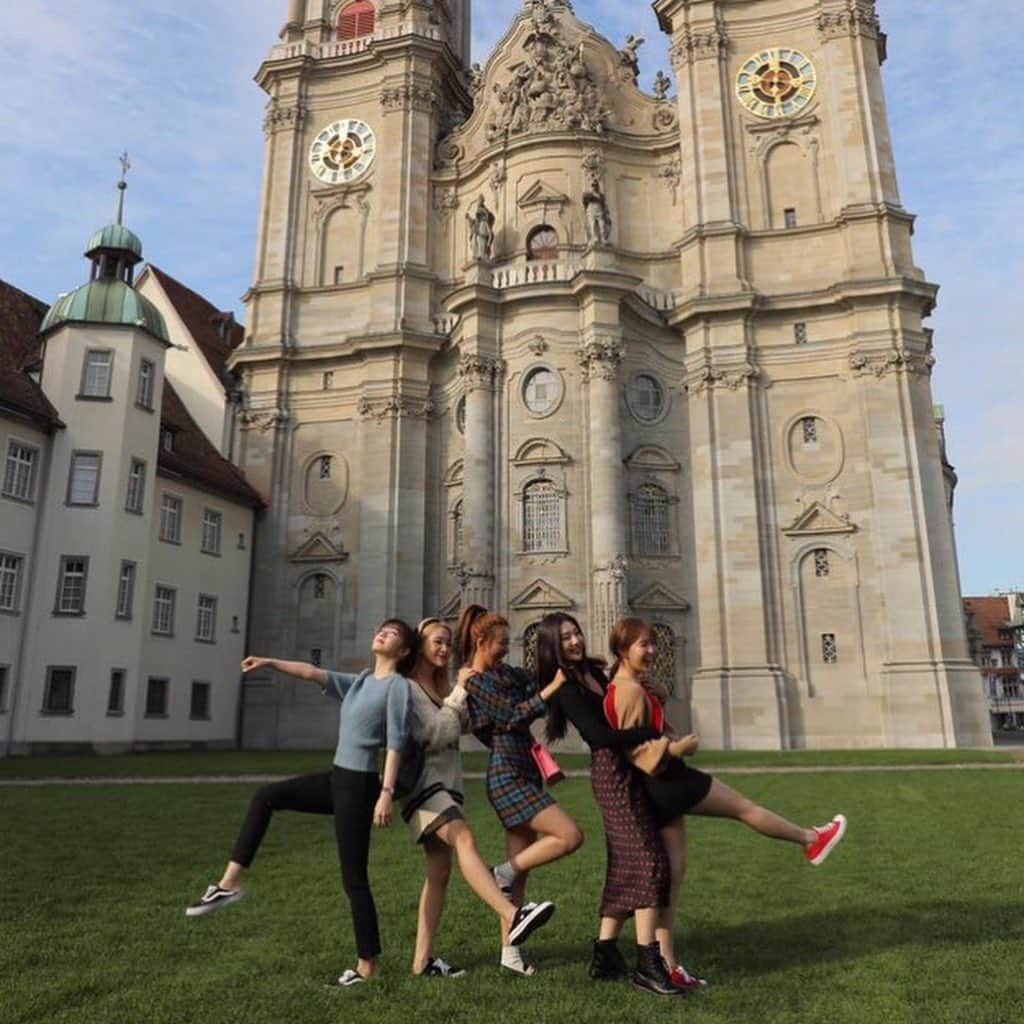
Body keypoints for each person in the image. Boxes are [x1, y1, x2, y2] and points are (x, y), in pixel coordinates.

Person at [605, 617, 848, 983]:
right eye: (643, 644)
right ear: (623, 649)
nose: (652, 650)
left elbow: (642, 733)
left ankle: (669, 964)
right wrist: (677, 747)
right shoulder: (628, 691)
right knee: (744, 808)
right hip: (668, 779)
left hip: (657, 786)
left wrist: (660, 702)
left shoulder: (629, 687)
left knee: (673, 876)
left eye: (653, 643)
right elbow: (635, 749)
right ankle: (811, 840)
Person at [186, 619, 418, 988]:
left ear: (404, 651)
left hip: (360, 789)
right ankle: (230, 883)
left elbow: (396, 743)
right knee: (266, 797)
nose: (382, 633)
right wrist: (269, 662)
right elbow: (311, 672)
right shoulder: (359, 682)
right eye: (381, 629)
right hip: (336, 779)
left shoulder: (398, 687)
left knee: (354, 879)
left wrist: (386, 793)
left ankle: (367, 966)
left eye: (392, 633)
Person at [538, 612, 690, 997]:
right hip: (611, 774)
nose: (574, 641)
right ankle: (647, 963)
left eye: (576, 633)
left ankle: (605, 955)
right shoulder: (565, 687)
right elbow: (600, 736)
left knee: (626, 863)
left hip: (628, 768)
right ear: (552, 645)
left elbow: (621, 706)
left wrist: (651, 691)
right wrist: (654, 734)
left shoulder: (594, 673)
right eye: (566, 637)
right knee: (648, 861)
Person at [403, 617, 556, 977]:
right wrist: (461, 692)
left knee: (438, 875)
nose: (443, 649)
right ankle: (513, 915)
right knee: (466, 838)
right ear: (419, 647)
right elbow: (433, 735)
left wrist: (481, 693)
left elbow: (473, 723)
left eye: (447, 643)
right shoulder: (408, 688)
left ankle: (422, 962)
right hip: (423, 786)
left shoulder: (443, 686)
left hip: (445, 787)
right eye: (436, 642)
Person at [457, 604, 583, 976]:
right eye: (499, 643)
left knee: (520, 878)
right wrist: (548, 692)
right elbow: (512, 716)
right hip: (506, 773)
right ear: (480, 641)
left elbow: (529, 693)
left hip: (525, 769)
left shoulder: (504, 674)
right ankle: (500, 872)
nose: (505, 649)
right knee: (570, 835)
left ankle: (510, 956)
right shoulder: (475, 681)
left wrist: (539, 694)